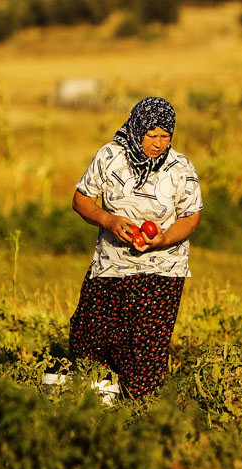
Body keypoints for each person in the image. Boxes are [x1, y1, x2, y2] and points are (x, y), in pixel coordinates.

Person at [69, 96, 203, 399]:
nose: (158, 143)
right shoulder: (110, 156)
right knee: (90, 337)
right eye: (151, 134)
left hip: (162, 272)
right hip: (111, 268)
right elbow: (81, 200)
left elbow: (191, 216)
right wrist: (109, 220)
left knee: (145, 348)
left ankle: (140, 411)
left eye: (165, 136)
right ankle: (96, 406)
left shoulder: (180, 167)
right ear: (136, 128)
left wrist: (164, 238)